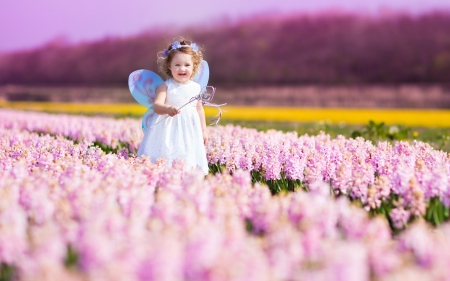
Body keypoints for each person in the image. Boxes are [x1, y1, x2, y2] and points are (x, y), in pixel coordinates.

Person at [137, 38, 209, 175]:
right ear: (169, 65)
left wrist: (204, 130)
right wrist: (167, 109)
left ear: (194, 66)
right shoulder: (166, 86)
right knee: (167, 153)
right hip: (167, 129)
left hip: (189, 129)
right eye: (177, 65)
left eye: (187, 65)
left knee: (188, 153)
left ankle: (186, 176)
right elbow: (157, 105)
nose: (182, 69)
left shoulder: (196, 87)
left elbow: (199, 109)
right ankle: (164, 176)